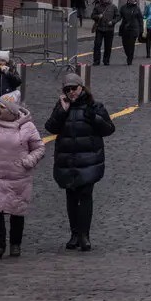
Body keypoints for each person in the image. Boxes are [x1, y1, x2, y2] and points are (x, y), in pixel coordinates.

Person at [46, 72, 115, 252]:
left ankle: (84, 235)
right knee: (71, 196)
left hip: (89, 159)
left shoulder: (94, 106)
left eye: (74, 88)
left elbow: (108, 129)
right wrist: (62, 111)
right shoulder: (61, 107)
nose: (71, 93)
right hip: (68, 159)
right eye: (67, 90)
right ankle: (74, 233)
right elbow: (50, 127)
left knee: (85, 195)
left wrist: (94, 118)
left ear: (81, 88)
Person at [0, 90, 44, 260]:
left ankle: (15, 244)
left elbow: (39, 148)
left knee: (17, 210)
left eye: (2, 107)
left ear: (12, 110)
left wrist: (28, 161)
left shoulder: (28, 127)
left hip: (19, 177)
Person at [91, 0, 120, 66]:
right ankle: (96, 61)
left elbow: (118, 17)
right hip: (99, 29)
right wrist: (98, 16)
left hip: (109, 29)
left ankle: (106, 61)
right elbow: (92, 16)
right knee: (97, 45)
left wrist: (113, 22)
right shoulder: (97, 6)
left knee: (108, 46)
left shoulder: (113, 7)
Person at [118, 0, 144, 66]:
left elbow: (140, 19)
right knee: (125, 44)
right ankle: (128, 55)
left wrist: (141, 29)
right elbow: (119, 16)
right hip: (125, 28)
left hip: (134, 29)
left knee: (131, 44)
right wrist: (113, 21)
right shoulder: (123, 7)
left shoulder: (137, 8)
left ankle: (130, 59)